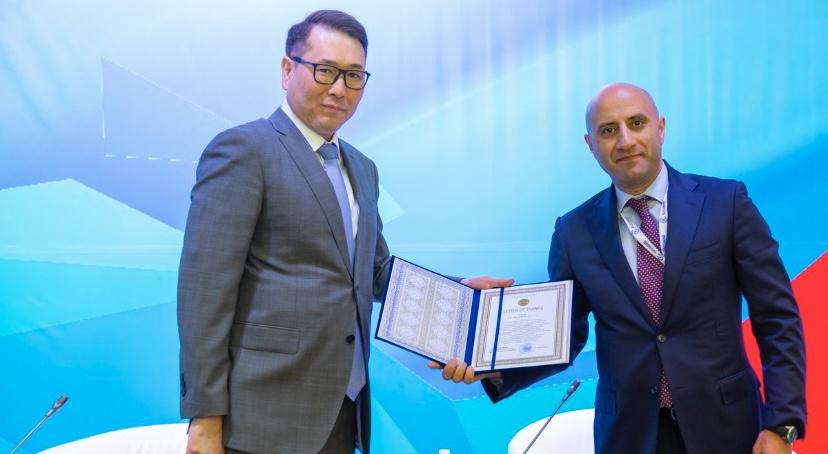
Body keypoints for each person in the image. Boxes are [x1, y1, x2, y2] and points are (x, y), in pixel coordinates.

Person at [177, 10, 510, 454]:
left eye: (353, 76)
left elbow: (374, 272)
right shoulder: (244, 150)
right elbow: (204, 292)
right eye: (325, 70)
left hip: (344, 412)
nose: (339, 88)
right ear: (287, 69)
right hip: (261, 418)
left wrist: (461, 297)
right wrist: (204, 418)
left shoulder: (362, 168)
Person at [431, 83, 806, 453]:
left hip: (729, 431)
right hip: (629, 437)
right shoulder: (574, 231)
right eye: (608, 131)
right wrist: (490, 362)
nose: (625, 140)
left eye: (636, 123)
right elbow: (562, 336)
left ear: (660, 128)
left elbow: (776, 317)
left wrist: (781, 424)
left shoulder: (725, 203)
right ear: (590, 144)